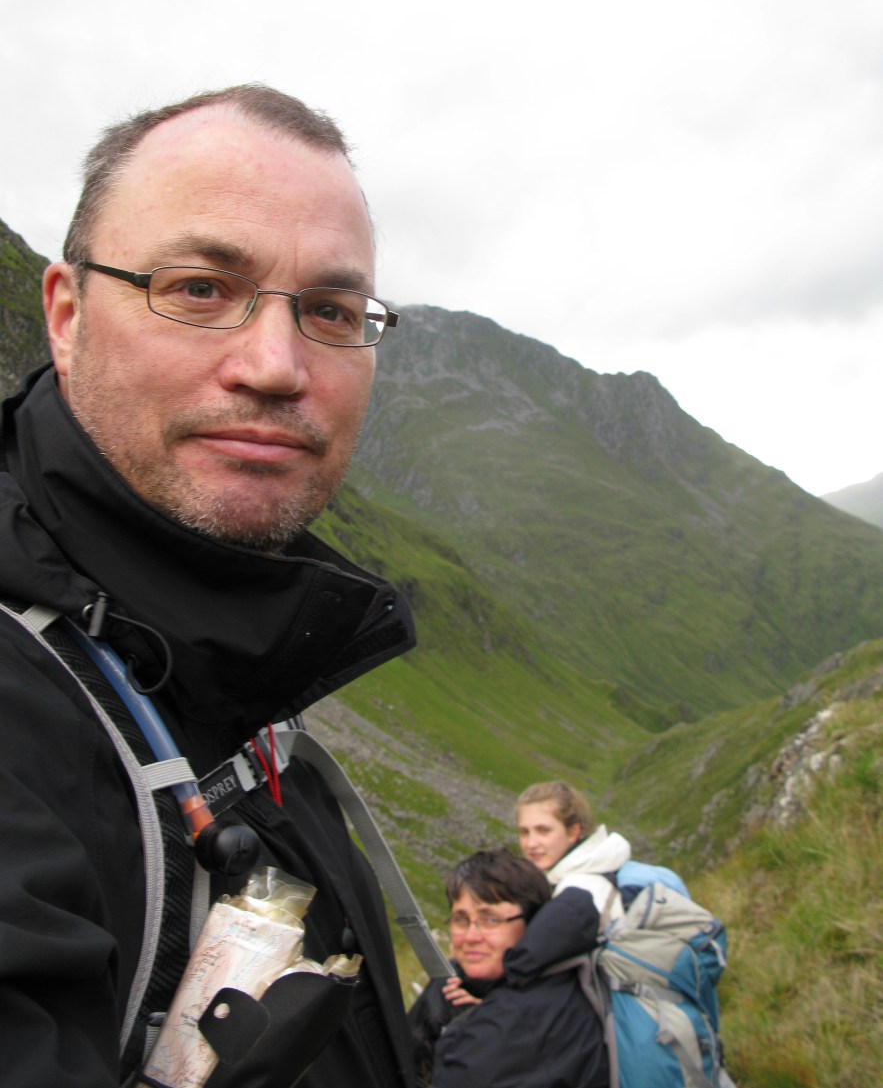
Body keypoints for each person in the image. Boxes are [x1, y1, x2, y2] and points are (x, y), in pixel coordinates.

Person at [0, 85, 416, 1087]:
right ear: (66, 313)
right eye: (197, 288)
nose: (275, 366)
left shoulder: (240, 685)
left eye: (329, 310)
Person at [408, 849, 608, 1088]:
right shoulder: (564, 974)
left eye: (491, 920)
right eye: (461, 919)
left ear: (531, 922)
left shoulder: (504, 1029)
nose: (471, 936)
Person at [516, 779, 688, 915]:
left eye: (544, 831)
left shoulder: (579, 890)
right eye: (524, 832)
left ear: (573, 832)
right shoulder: (597, 866)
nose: (531, 843)